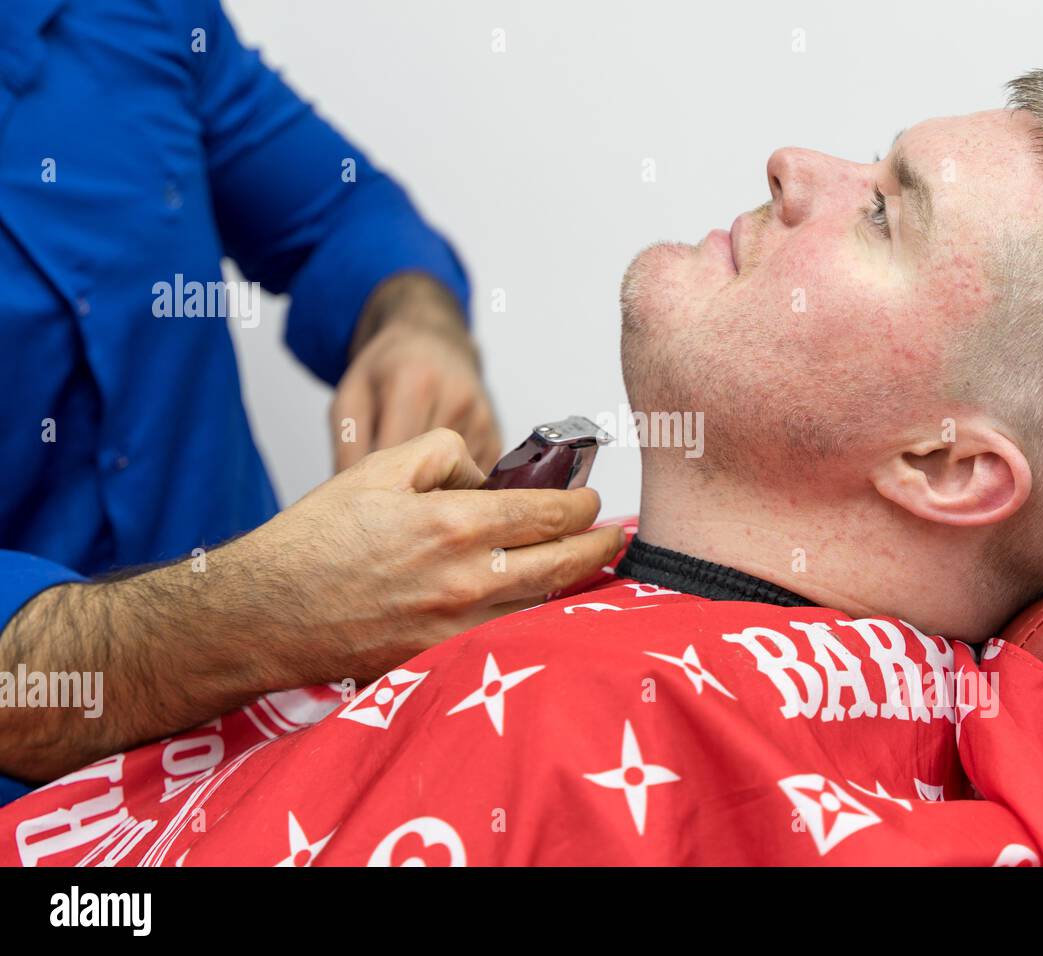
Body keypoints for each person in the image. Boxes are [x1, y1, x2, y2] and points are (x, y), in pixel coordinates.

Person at [1, 70, 1043, 867]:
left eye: (888, 208)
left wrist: (410, 312)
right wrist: (220, 618)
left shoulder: (570, 728)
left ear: (948, 466)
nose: (794, 163)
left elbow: (334, 210)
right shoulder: (838, 701)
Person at [0, 0, 626, 800]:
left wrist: (413, 323)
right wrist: (260, 615)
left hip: (272, 760)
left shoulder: (134, 15)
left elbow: (343, 211)